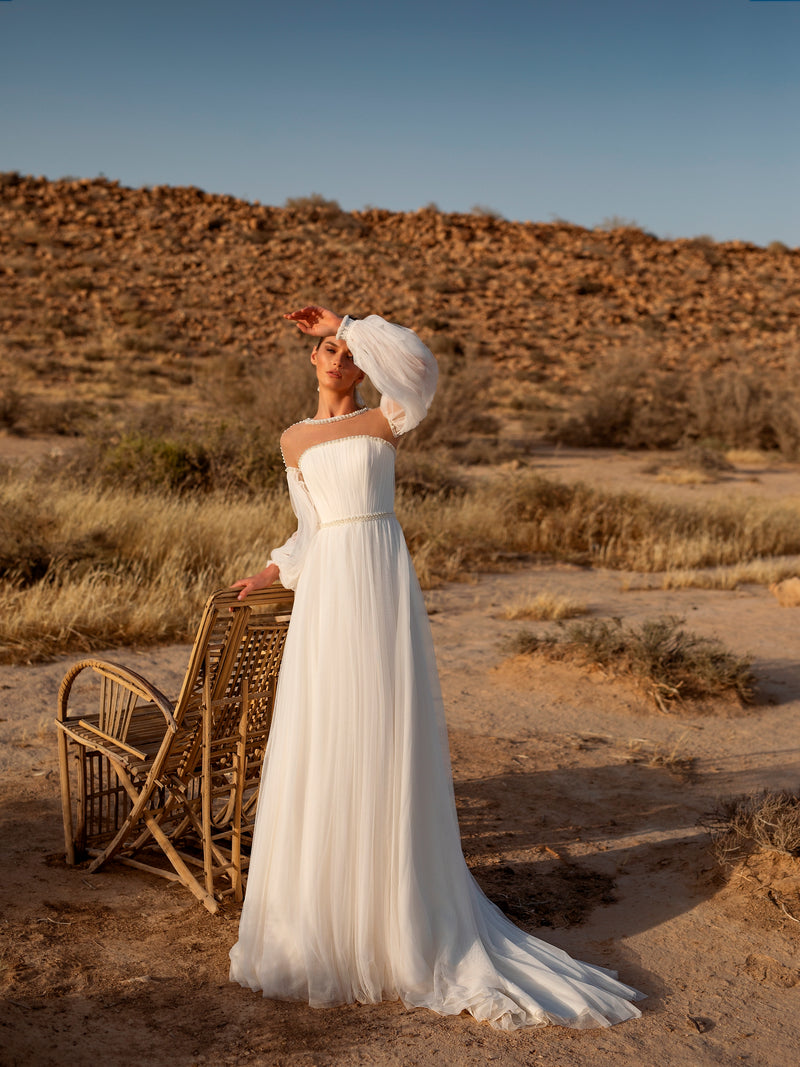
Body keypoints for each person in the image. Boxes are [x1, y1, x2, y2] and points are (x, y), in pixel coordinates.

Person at [228, 306, 644, 1030]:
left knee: (385, 730)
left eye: (349, 352)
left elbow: (421, 368)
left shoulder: (388, 417)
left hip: (380, 577)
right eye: (329, 348)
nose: (337, 357)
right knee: (329, 733)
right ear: (311, 359)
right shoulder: (292, 439)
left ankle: (394, 911)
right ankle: (323, 913)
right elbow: (308, 525)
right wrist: (273, 568)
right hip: (328, 583)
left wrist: (351, 319)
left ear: (361, 363)